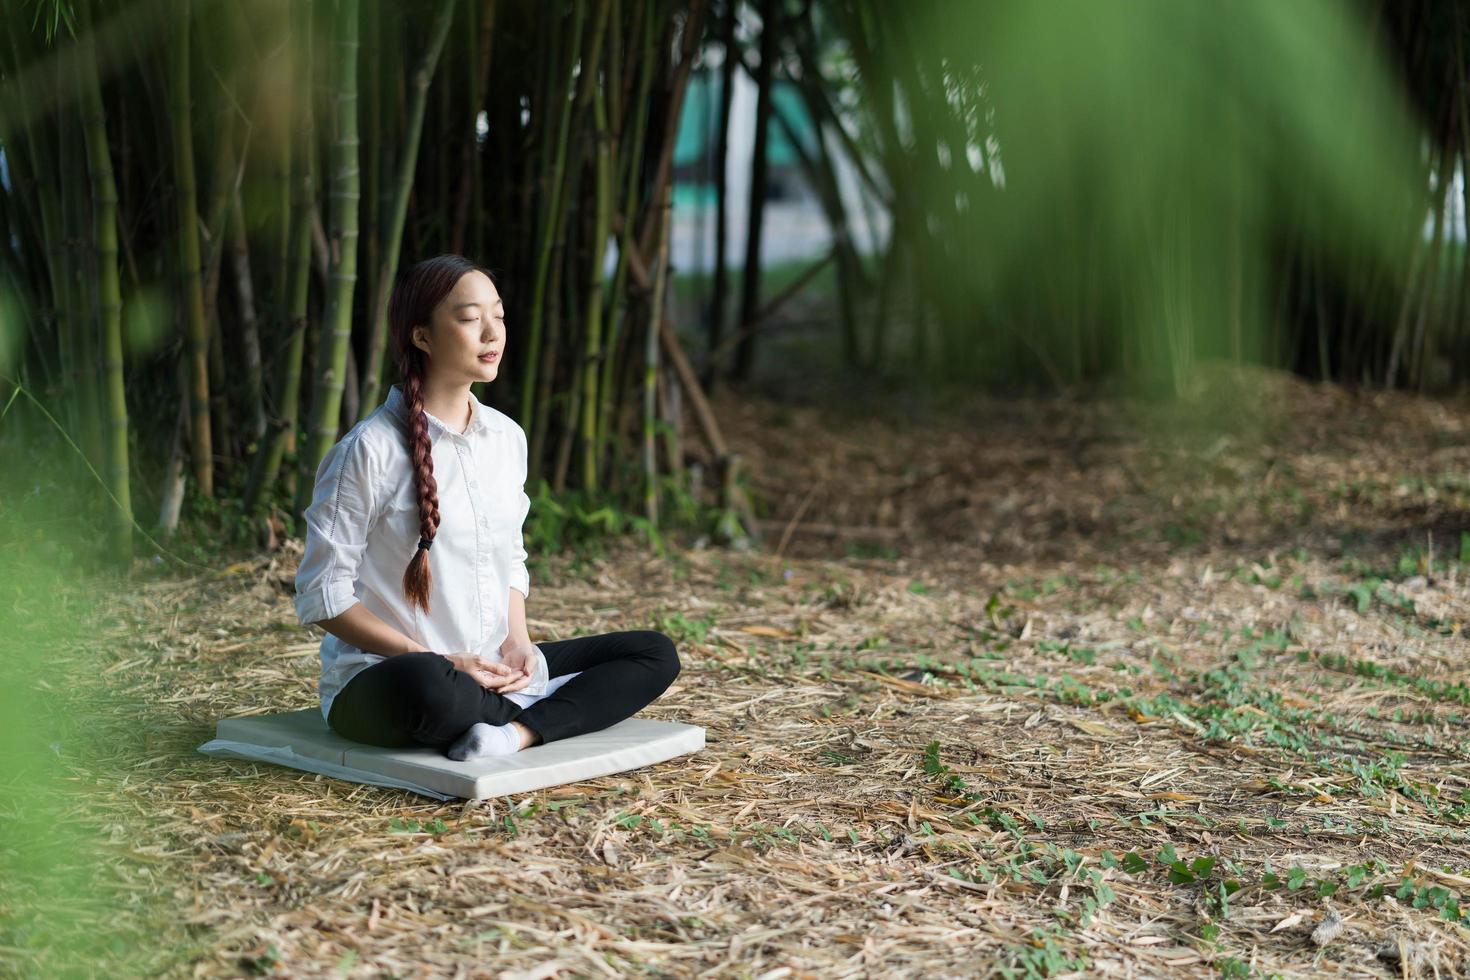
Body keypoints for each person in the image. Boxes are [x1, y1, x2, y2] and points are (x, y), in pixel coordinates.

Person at [293, 254, 681, 760]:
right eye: (471, 318)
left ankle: (512, 735)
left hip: (491, 674)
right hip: (394, 679)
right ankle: (552, 713)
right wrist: (443, 659)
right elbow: (324, 595)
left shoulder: (505, 437)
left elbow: (510, 561)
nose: (491, 333)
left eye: (498, 316)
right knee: (429, 684)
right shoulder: (368, 450)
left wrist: (518, 643)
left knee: (654, 653)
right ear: (422, 336)